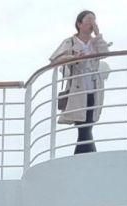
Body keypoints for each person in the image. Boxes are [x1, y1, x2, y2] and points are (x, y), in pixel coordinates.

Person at [52, 11, 110, 155]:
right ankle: (89, 158)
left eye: (94, 20)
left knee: (88, 125)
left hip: (94, 88)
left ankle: (83, 158)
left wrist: (98, 35)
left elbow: (105, 53)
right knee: (83, 126)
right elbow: (55, 59)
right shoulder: (70, 42)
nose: (92, 23)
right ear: (79, 24)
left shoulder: (95, 42)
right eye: (89, 20)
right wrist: (74, 58)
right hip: (78, 90)